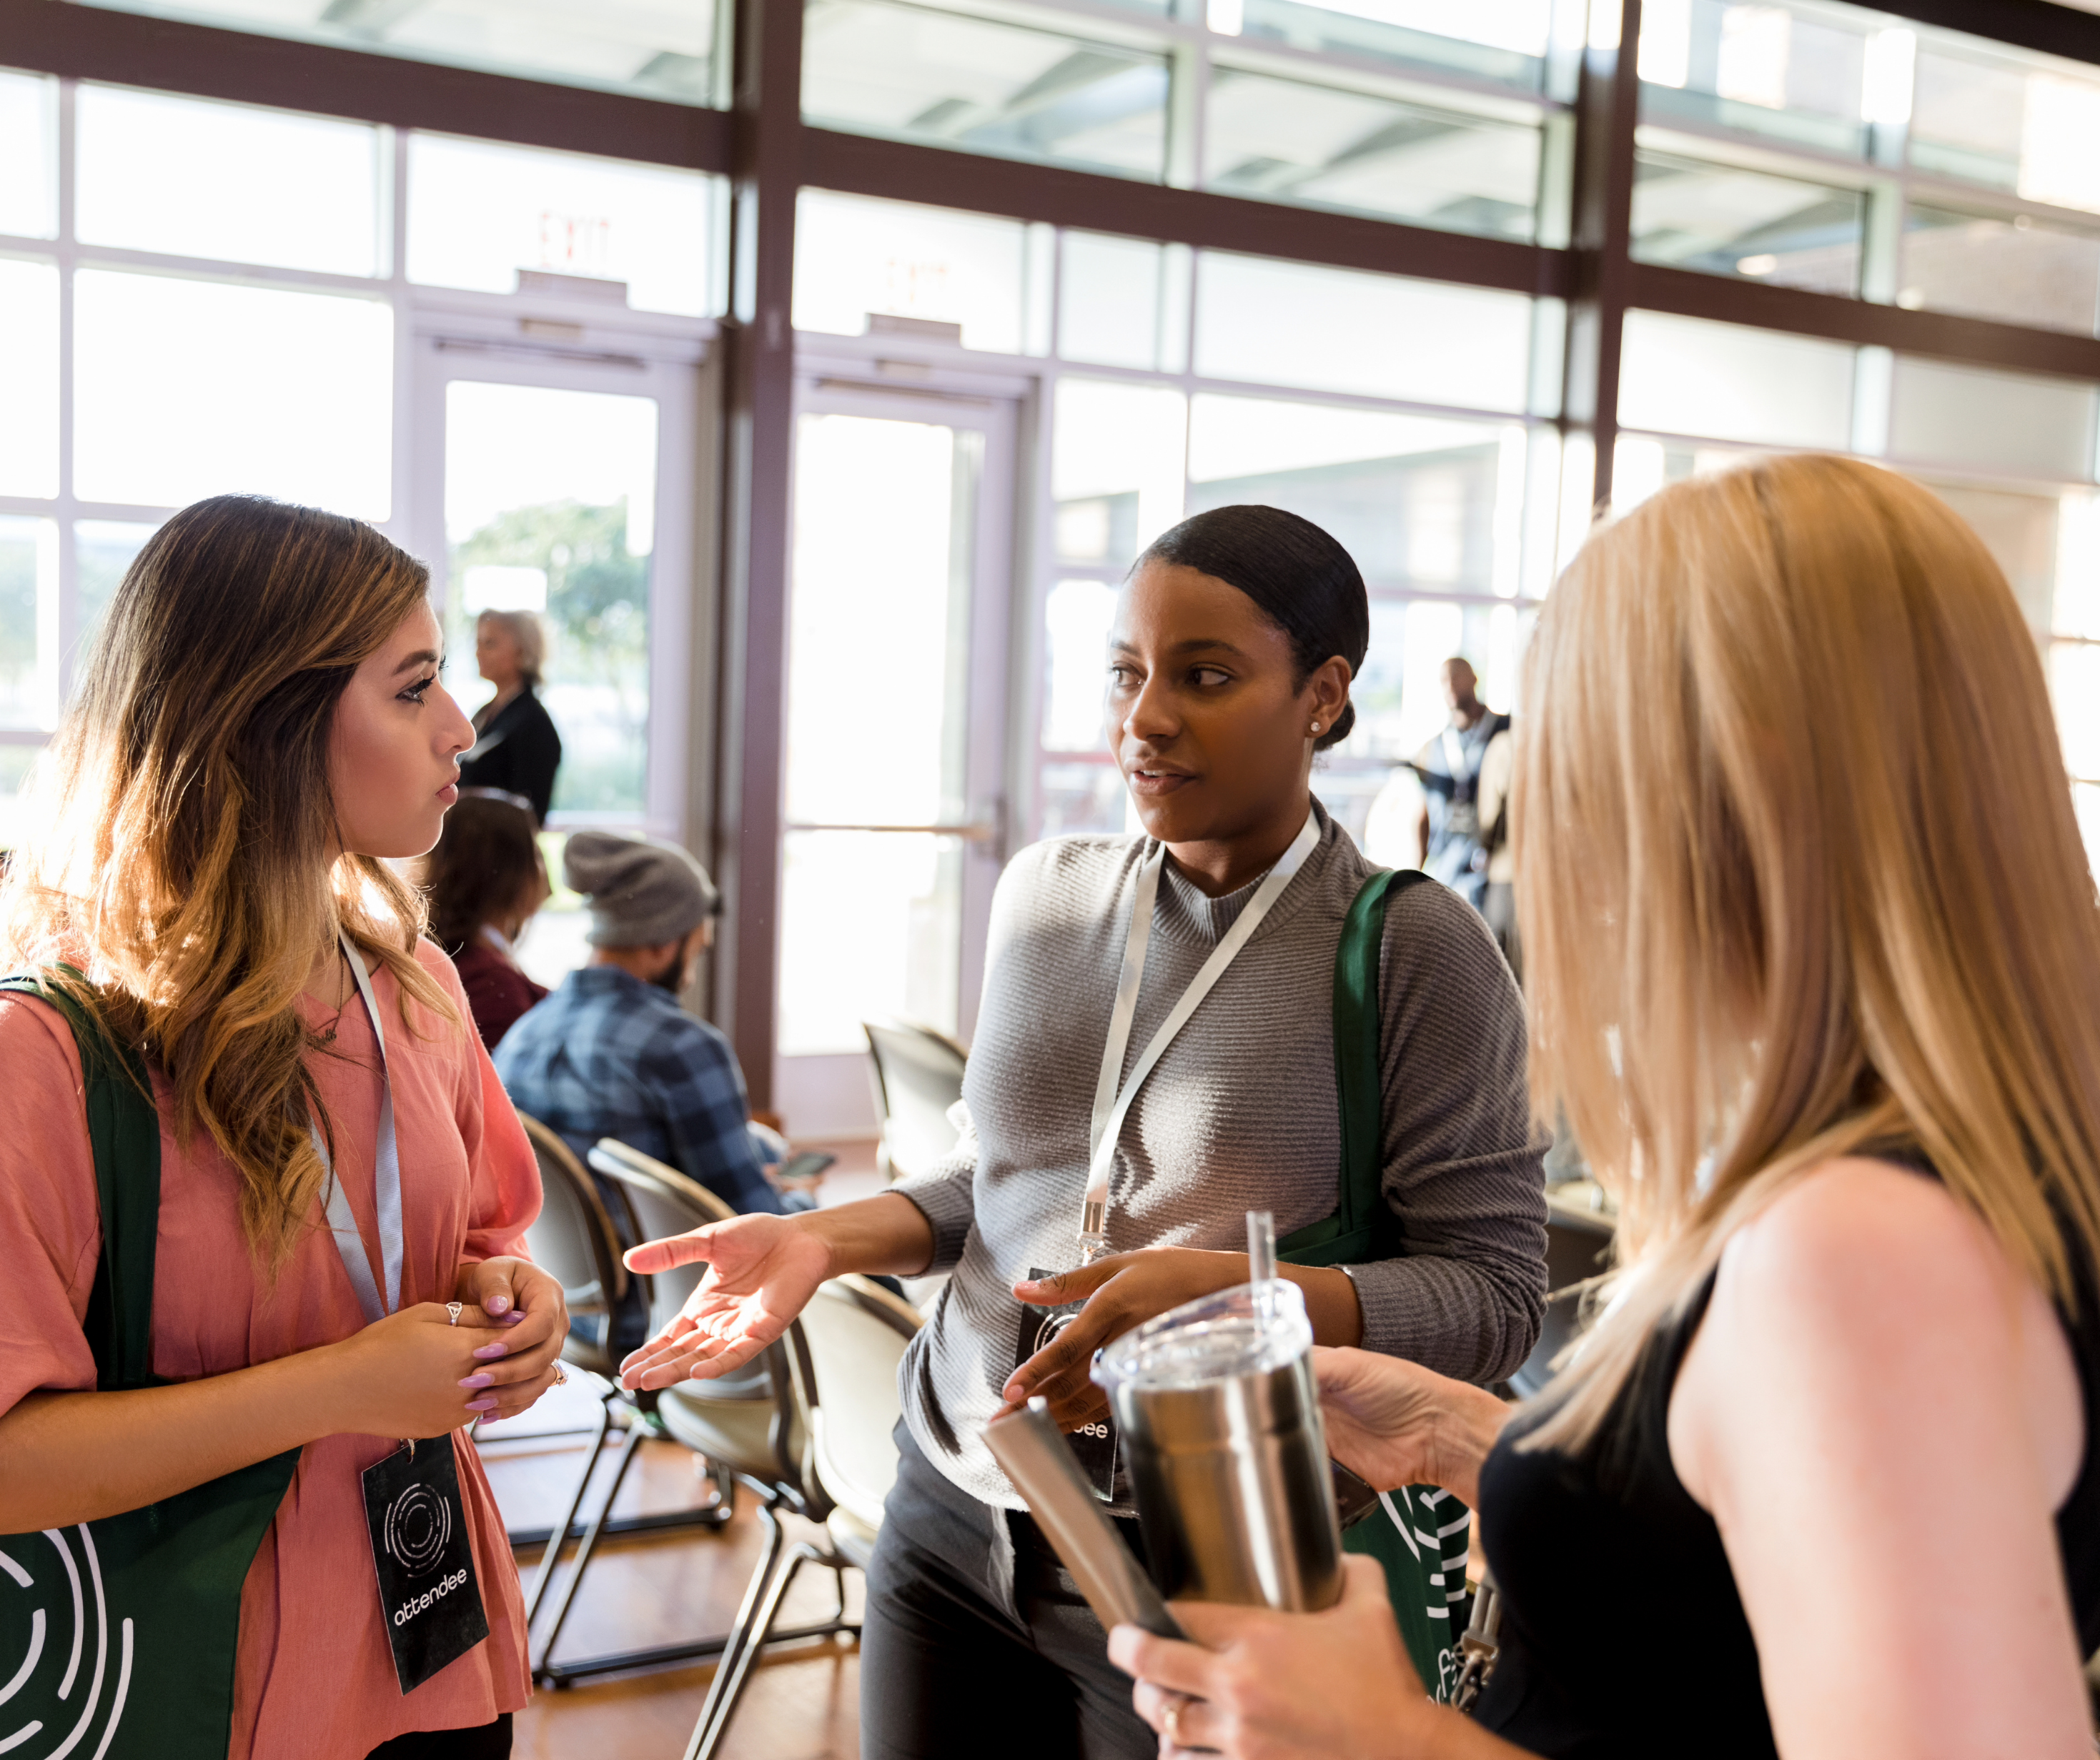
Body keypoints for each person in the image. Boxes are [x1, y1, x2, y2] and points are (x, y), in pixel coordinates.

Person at [1109, 455, 2100, 1760]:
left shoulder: (1858, 1250)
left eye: (1575, 743)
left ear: (1734, 782)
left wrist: (1381, 1739)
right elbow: (1747, 1573)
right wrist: (1476, 1434)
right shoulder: (1952, 1169)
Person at [614, 503, 1548, 1759]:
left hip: (1208, 1554)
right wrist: (823, 1238)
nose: (1144, 717)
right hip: (952, 1499)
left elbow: (1494, 1297)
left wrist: (1223, 1293)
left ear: (1323, 696)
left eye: (1203, 676)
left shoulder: (1412, 942)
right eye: (1125, 673)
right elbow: (1009, 1180)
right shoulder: (1049, 893)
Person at [0, 494, 568, 1759]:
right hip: (189, 1684)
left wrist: (511, 1301)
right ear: (269, 717)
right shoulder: (50, 1050)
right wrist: (342, 1386)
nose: (461, 727)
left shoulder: (412, 984)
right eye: (413, 686)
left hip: (432, 1647)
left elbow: (481, 1232)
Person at [495, 831, 788, 1220]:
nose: (691, 977)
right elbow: (754, 1218)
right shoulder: (682, 1045)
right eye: (697, 952)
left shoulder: (524, 1034)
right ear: (664, 943)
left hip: (565, 1275)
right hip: (671, 1273)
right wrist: (803, 1201)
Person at [422, 790, 550, 1049]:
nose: (547, 879)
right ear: (507, 870)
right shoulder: (492, 986)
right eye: (536, 855)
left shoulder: (438, 956)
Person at [1410, 657, 1510, 912]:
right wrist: (1413, 877)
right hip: (1447, 874)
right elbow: (1424, 815)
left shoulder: (1507, 733)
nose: (1451, 686)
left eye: (1457, 676)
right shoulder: (1433, 748)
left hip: (1497, 875)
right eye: (1444, 681)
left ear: (1475, 679)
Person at [457, 609, 561, 826]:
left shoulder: (535, 723)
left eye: (490, 644)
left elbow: (530, 815)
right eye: (478, 643)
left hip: (498, 854)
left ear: (521, 651)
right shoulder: (483, 714)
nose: (478, 653)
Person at [1473, 725, 1517, 977]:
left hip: (1506, 877)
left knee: (1503, 978)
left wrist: (1485, 848)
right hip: (1553, 880)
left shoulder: (1506, 745)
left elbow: (1489, 815)